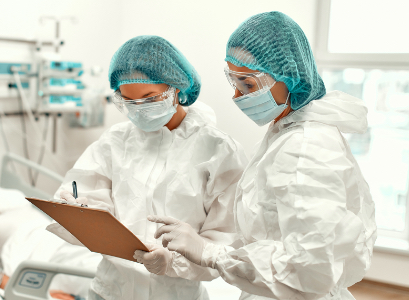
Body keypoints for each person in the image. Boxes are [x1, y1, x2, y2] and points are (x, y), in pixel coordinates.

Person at [149, 11, 377, 300]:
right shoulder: (287, 133)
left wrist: (211, 253)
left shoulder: (305, 148)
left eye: (247, 84)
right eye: (234, 82)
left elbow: (309, 271)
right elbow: (274, 237)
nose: (236, 96)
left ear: (289, 78)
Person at [49, 35, 248, 300]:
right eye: (129, 101)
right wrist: (78, 212)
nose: (139, 110)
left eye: (150, 98)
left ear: (177, 88)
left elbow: (227, 240)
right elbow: (83, 198)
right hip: (109, 291)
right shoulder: (114, 142)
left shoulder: (218, 151)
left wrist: (173, 262)